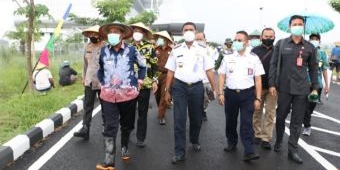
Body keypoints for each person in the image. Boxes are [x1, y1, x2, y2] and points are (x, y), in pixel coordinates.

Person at [95, 22, 146, 170]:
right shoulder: (104, 51)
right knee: (110, 126)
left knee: (127, 125)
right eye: (110, 32)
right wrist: (103, 82)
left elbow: (143, 66)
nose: (112, 34)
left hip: (128, 95)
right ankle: (109, 160)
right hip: (108, 96)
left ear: (122, 35)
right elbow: (100, 68)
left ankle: (124, 146)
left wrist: (140, 80)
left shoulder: (132, 50)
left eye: (116, 32)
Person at [268, 15, 318, 164]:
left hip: (302, 89)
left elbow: (314, 69)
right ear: (290, 26)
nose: (297, 26)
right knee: (281, 116)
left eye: (300, 24)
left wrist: (315, 88)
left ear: (304, 27)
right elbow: (273, 64)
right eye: (295, 24)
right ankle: (278, 141)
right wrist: (271, 84)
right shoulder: (281, 44)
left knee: (297, 121)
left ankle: (293, 150)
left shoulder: (310, 47)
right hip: (283, 88)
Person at [164, 22, 216, 164]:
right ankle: (179, 152)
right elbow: (170, 71)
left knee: (196, 118)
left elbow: (209, 70)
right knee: (179, 120)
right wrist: (167, 91)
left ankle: (194, 139)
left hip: (197, 87)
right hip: (179, 87)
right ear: (182, 33)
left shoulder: (203, 49)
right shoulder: (176, 50)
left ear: (195, 31)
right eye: (185, 30)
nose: (188, 31)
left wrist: (215, 89)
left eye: (190, 29)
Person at [218, 30, 264, 162]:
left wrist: (258, 98)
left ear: (247, 42)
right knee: (230, 120)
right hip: (231, 94)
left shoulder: (254, 58)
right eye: (235, 40)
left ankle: (249, 151)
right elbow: (221, 75)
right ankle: (231, 141)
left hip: (248, 95)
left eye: (239, 40)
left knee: (246, 123)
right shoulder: (228, 57)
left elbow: (258, 79)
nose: (236, 42)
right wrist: (220, 92)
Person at [73, 25, 105, 140]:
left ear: (100, 35)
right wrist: (83, 77)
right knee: (87, 105)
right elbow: (85, 64)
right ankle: (85, 129)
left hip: (103, 82)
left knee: (105, 105)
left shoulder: (105, 46)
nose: (92, 36)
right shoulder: (88, 46)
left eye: (95, 34)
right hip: (90, 80)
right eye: (90, 34)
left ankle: (106, 126)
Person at [129, 22, 158, 147]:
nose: (137, 33)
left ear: (144, 33)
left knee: (142, 112)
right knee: (129, 111)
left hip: (145, 85)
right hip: (129, 85)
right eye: (135, 30)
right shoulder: (127, 47)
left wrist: (155, 80)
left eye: (140, 31)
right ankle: (128, 131)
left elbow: (154, 65)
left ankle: (141, 137)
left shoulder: (150, 47)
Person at [251, 27, 277, 150]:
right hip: (258, 87)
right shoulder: (254, 51)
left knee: (270, 113)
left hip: (273, 88)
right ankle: (257, 134)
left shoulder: (278, 51)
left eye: (270, 37)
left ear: (274, 37)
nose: (268, 39)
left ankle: (266, 138)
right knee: (257, 112)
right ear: (261, 37)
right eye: (266, 36)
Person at [302, 33, 329, 136]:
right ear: (308, 40)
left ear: (319, 41)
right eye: (312, 39)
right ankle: (307, 126)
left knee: (311, 107)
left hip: (317, 85)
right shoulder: (305, 50)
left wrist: (327, 85)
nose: (314, 40)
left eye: (316, 39)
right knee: (305, 107)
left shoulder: (322, 53)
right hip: (304, 84)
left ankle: (306, 120)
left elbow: (324, 70)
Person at [195, 32, 217, 121]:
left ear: (205, 39)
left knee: (206, 99)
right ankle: (197, 113)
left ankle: (204, 110)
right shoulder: (191, 50)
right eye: (197, 39)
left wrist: (213, 86)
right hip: (196, 80)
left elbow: (214, 64)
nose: (199, 41)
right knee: (196, 99)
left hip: (207, 79)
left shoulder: (210, 50)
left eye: (201, 39)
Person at [153, 30, 173, 125]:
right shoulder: (155, 49)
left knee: (164, 95)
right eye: (159, 38)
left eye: (162, 38)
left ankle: (161, 116)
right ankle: (161, 109)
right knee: (157, 95)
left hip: (167, 75)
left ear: (166, 40)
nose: (160, 39)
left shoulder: (172, 50)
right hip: (156, 75)